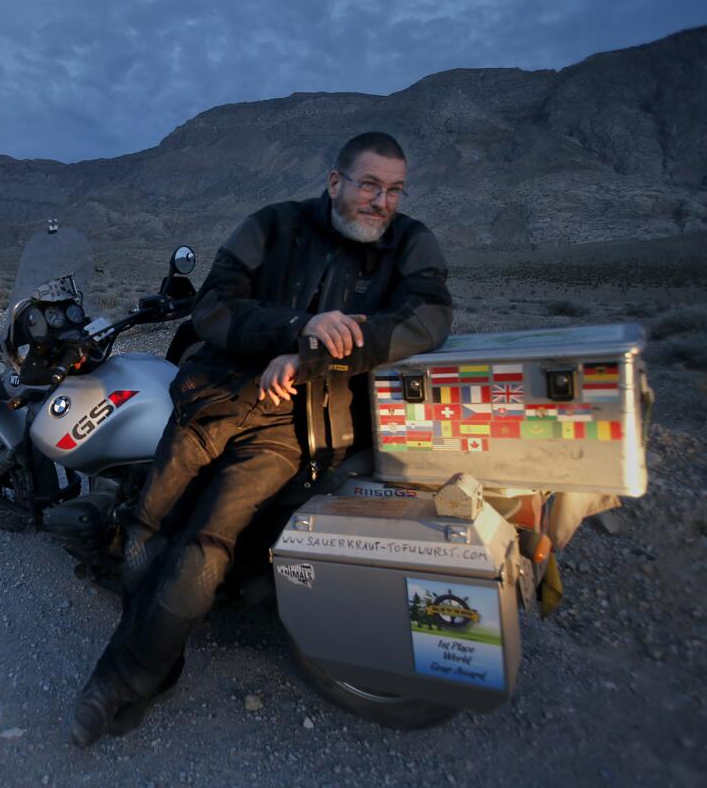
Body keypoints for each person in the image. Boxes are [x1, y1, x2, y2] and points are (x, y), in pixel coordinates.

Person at [69, 131, 454, 747]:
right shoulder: (272, 226)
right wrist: (299, 326)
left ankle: (117, 685)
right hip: (212, 398)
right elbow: (214, 307)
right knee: (146, 527)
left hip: (296, 424)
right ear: (336, 182)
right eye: (369, 185)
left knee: (206, 542)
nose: (382, 202)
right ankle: (158, 666)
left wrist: (309, 357)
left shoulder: (410, 241)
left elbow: (428, 317)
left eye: (394, 190)